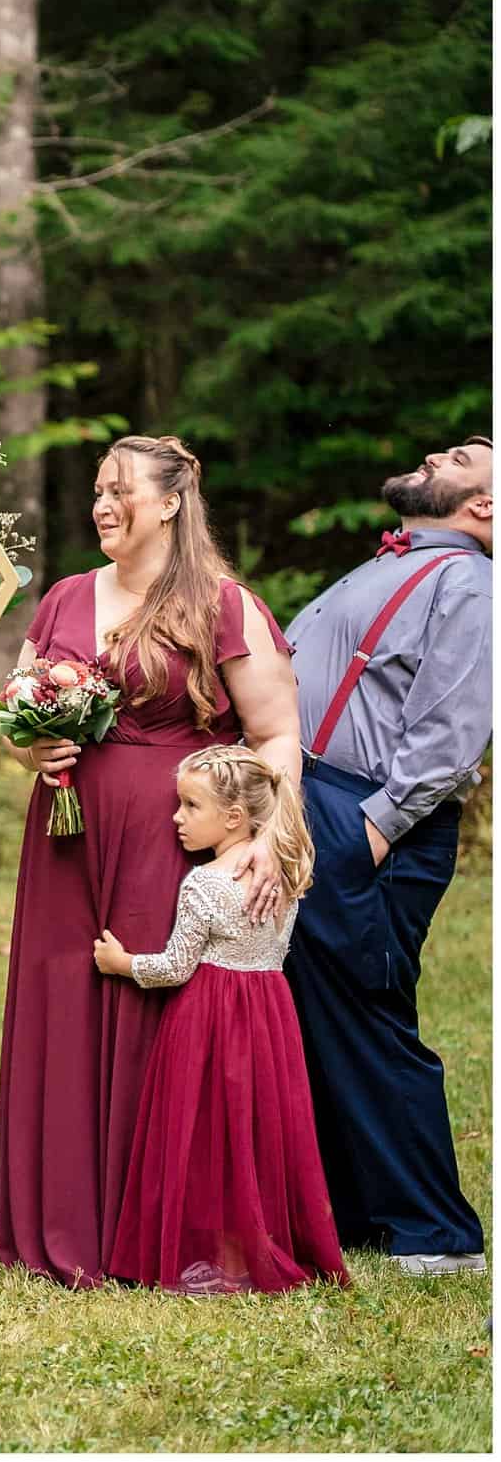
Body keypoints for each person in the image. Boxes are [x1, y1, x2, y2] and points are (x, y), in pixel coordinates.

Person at [0, 435, 300, 1288]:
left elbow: (275, 734)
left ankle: (154, 1220)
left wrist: (263, 842)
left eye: (118, 489)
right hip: (65, 837)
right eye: (96, 489)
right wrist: (32, 749)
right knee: (65, 1000)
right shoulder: (61, 597)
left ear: (169, 502)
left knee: (152, 1003)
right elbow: (16, 706)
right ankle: (64, 1217)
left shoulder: (223, 604)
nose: (101, 504)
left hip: (176, 837)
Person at [280, 436, 492, 1275]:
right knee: (318, 1014)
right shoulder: (400, 563)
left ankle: (437, 1233)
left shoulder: (470, 583)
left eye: (467, 457)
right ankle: (362, 1214)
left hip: (365, 817)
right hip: (317, 798)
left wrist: (368, 831)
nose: (440, 453)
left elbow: (450, 731)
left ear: (486, 507)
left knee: (366, 1015)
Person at [93, 745, 347, 1294]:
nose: (176, 818)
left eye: (190, 806)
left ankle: (206, 1249)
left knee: (204, 1131)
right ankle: (250, 1242)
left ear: (234, 817)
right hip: (269, 1016)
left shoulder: (204, 883)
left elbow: (175, 967)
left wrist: (122, 963)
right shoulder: (281, 876)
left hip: (207, 1019)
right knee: (255, 1129)